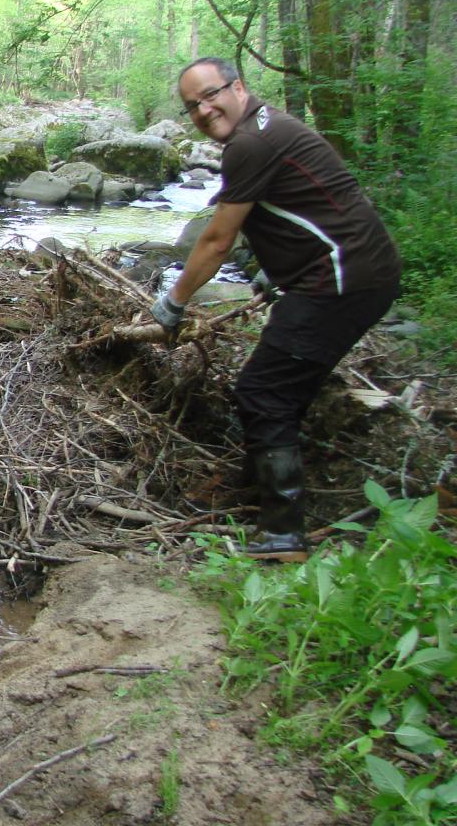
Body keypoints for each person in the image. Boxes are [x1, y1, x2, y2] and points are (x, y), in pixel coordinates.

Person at [150, 57, 400, 561]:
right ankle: (261, 486)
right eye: (192, 105)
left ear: (237, 87)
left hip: (340, 281)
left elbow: (218, 240)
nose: (203, 109)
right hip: (351, 273)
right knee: (280, 388)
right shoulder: (267, 125)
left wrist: (172, 302)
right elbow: (309, 202)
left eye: (211, 94)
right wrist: (277, 266)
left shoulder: (250, 143)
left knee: (264, 392)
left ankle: (284, 533)